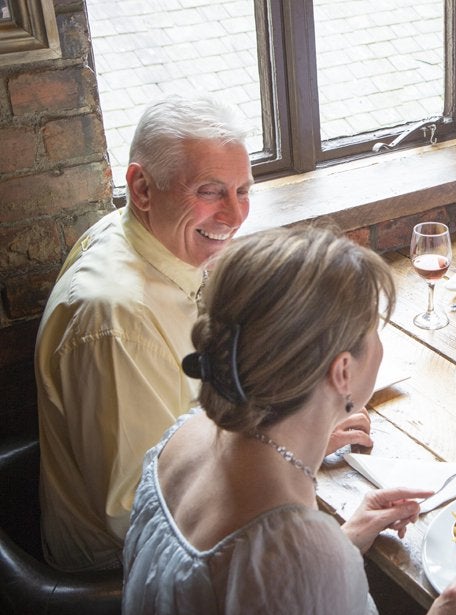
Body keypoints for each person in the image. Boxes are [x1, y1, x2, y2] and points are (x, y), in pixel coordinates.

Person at [111, 227, 456, 615]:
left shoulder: (191, 430)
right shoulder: (297, 557)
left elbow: (236, 596)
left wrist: (343, 540)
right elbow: (272, 567)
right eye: (375, 330)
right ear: (343, 371)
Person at [34, 97, 373, 573]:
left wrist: (293, 428)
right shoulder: (119, 319)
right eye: (211, 191)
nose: (235, 216)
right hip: (131, 568)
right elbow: (136, 509)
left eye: (242, 190)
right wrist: (290, 452)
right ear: (142, 187)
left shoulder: (146, 237)